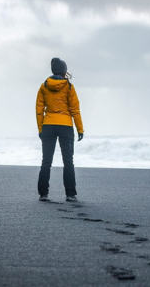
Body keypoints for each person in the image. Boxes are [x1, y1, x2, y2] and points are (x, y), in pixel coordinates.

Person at [36, 58, 84, 202]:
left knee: (46, 161)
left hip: (48, 126)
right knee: (68, 161)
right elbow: (75, 109)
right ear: (64, 70)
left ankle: (43, 194)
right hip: (65, 126)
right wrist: (80, 129)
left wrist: (40, 129)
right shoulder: (69, 87)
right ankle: (70, 194)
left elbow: (39, 110)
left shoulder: (44, 86)